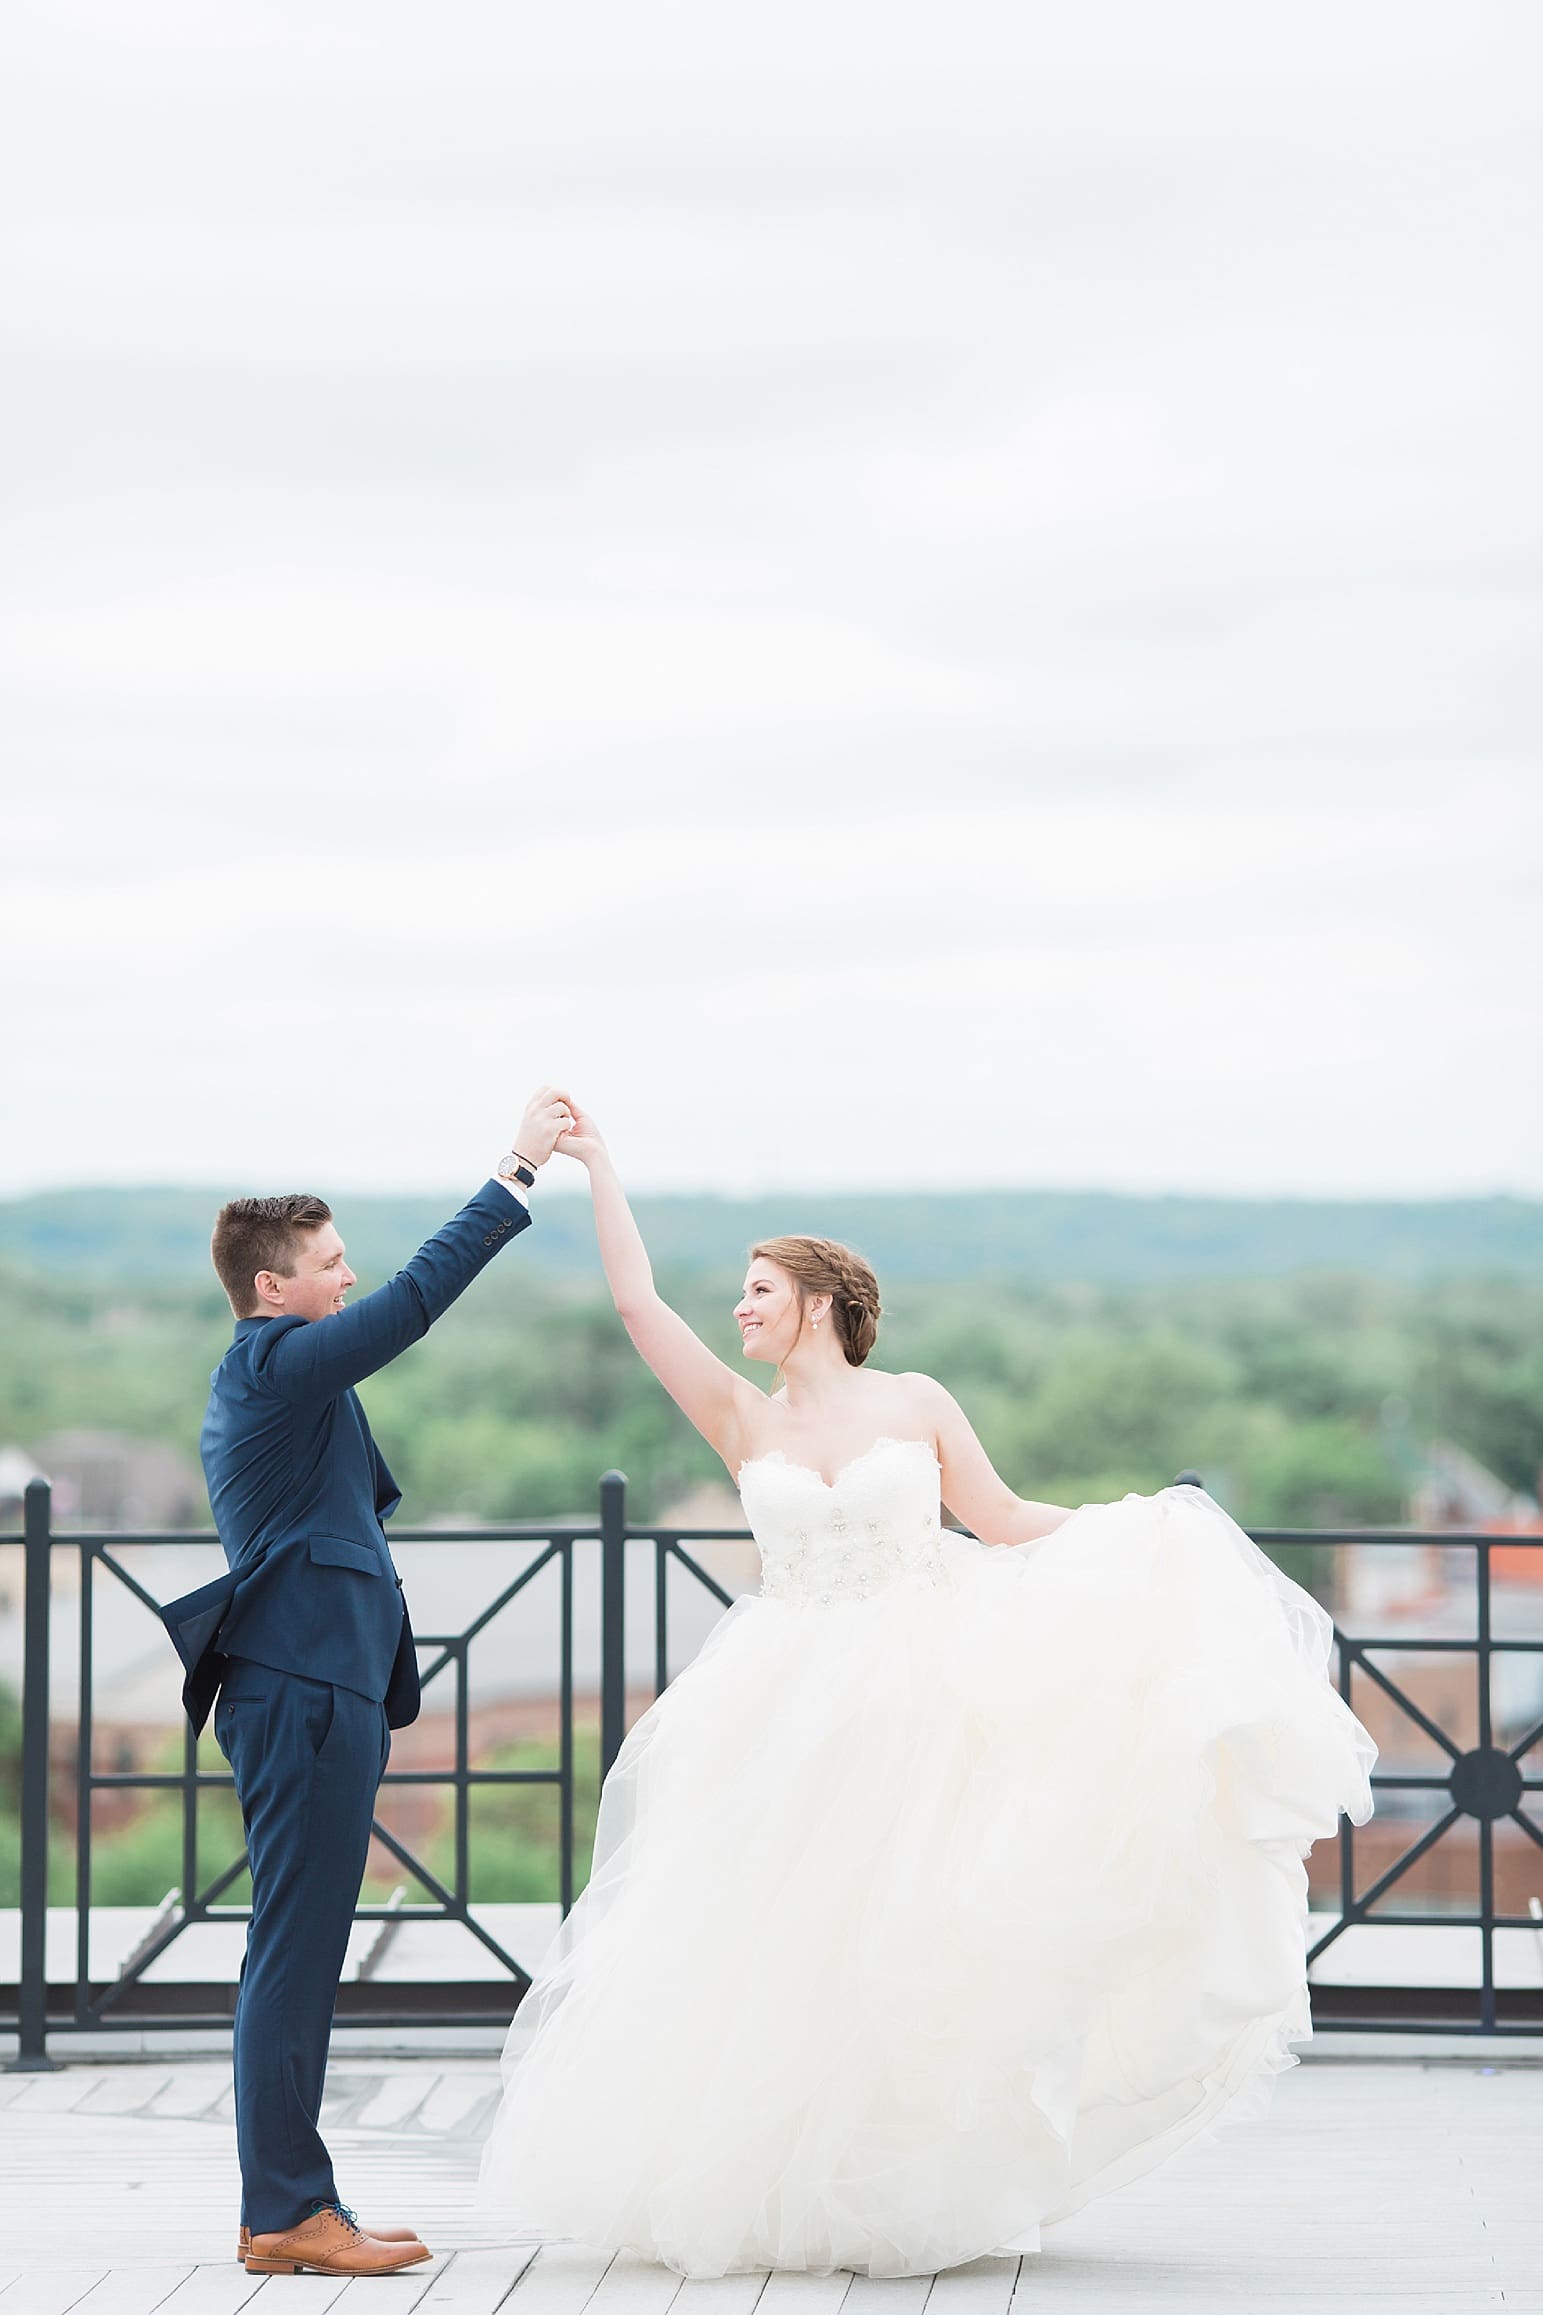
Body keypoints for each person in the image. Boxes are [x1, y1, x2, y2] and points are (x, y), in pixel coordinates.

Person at [477, 1103, 1377, 2279]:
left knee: (914, 1938)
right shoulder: (739, 1415)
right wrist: (594, 1167)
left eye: (757, 1289)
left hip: (924, 1680)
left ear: (815, 1302)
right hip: (781, 1698)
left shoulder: (916, 1399)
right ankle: (770, 2185)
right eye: (739, 1291)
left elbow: (998, 1521)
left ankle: (904, 2185)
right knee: (781, 1938)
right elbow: (636, 1305)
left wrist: (1141, 1532)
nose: (738, 1307)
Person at [160, 1088, 574, 2278]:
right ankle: (286, 2210)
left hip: (315, 1682)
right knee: (292, 1949)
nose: (348, 1275)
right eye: (329, 1261)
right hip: (296, 1686)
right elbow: (413, 1305)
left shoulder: (282, 1373)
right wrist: (516, 1171)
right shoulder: (278, 1365)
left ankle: (298, 2199)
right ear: (273, 1285)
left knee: (302, 1945)